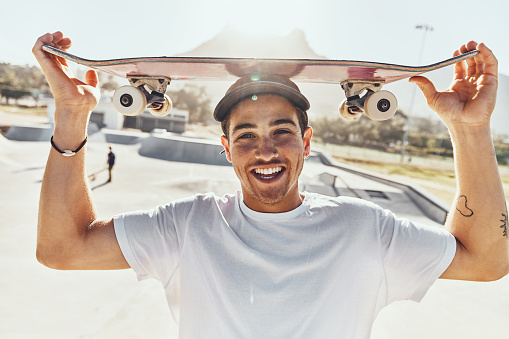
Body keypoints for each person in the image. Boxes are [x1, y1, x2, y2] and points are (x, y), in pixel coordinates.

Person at [33, 31, 507, 338]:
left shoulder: (365, 228)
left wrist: (469, 130)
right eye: (246, 137)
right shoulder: (186, 226)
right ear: (225, 148)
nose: (266, 150)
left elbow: (487, 259)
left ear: (306, 142)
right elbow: (62, 248)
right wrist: (71, 115)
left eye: (282, 132)